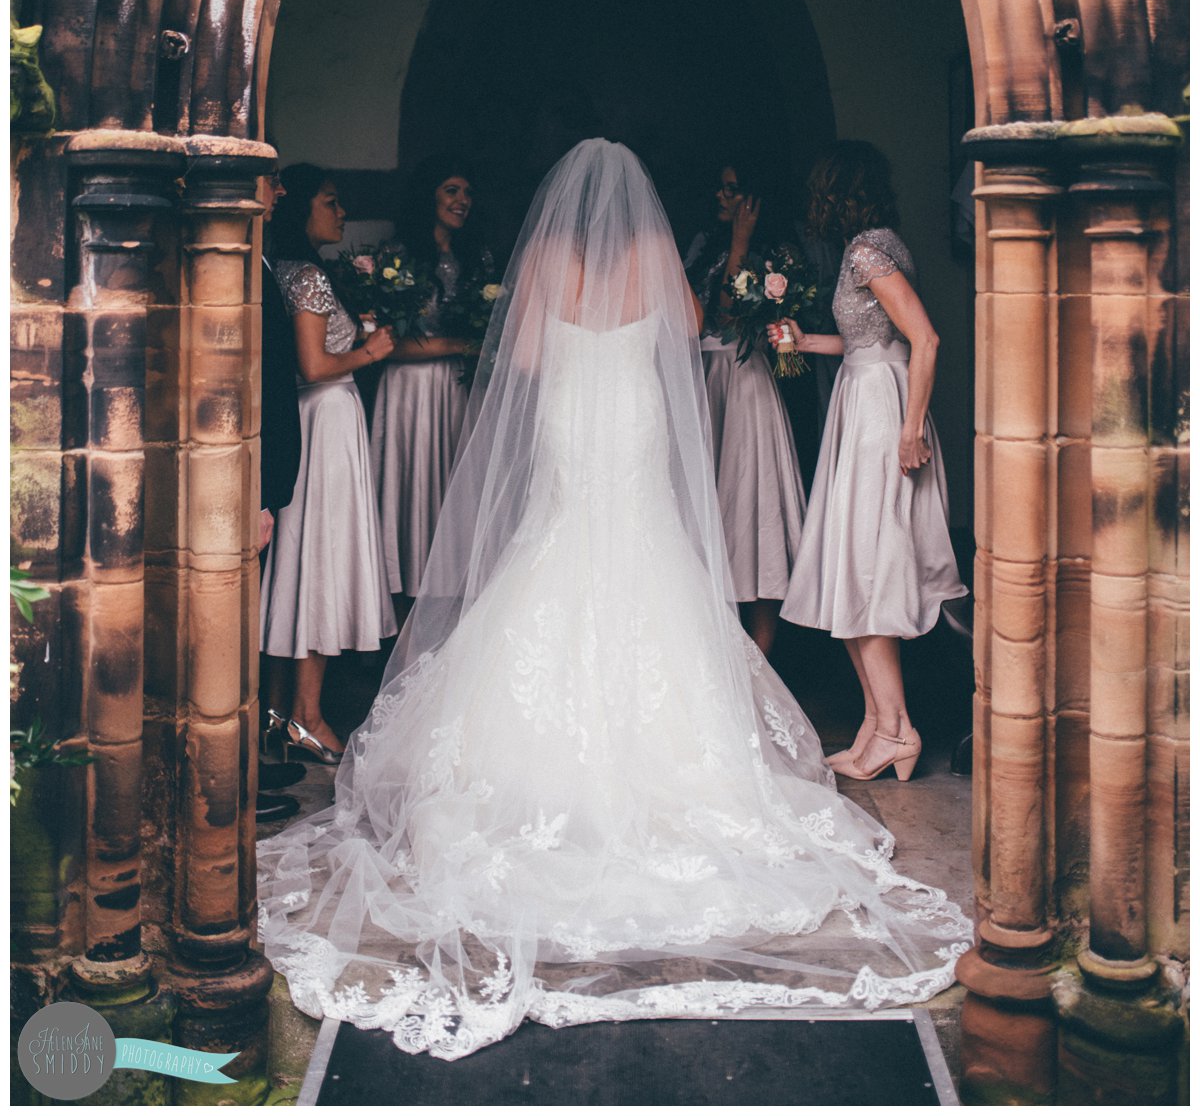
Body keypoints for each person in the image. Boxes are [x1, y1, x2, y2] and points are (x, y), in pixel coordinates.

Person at [259, 141, 970, 1061]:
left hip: (572, 411)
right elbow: (683, 335)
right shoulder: (659, 258)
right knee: (646, 543)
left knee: (554, 538)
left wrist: (569, 339)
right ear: (639, 209)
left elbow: (516, 356)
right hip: (631, 409)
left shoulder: (548, 259)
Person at [773, 142, 967, 783]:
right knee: (853, 567)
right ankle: (878, 725)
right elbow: (865, 341)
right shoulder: (876, 244)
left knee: (868, 566)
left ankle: (898, 729)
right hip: (862, 400)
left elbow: (925, 338)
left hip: (881, 416)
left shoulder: (866, 252)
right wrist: (802, 340)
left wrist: (911, 430)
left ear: (836, 191)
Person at [260, 165, 398, 765]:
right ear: (301, 210)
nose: (341, 213)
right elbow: (313, 366)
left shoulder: (283, 270)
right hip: (325, 424)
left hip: (313, 427)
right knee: (318, 561)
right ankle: (307, 716)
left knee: (295, 563)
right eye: (332, 202)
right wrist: (369, 350)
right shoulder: (307, 276)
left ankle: (274, 710)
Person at [684, 157, 806, 657]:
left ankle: (760, 656)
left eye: (731, 189)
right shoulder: (702, 245)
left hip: (745, 381)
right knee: (710, 506)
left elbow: (734, 317)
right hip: (705, 379)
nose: (721, 196)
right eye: (720, 187)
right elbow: (694, 315)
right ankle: (715, 647)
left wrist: (741, 243)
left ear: (754, 199)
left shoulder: (776, 253)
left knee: (751, 509)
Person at [370, 157, 493, 619]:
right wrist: (459, 343)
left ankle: (446, 599)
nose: (463, 201)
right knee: (410, 486)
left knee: (447, 486)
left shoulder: (476, 259)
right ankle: (400, 605)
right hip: (410, 389)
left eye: (467, 193)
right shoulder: (398, 255)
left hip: (453, 390)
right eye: (451, 191)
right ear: (430, 196)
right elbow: (384, 342)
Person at [256, 168, 305, 823]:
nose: (279, 190)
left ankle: (243, 771)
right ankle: (230, 785)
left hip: (265, 476)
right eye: (272, 178)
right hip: (248, 479)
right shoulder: (237, 265)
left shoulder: (259, 261)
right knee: (235, 633)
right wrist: (260, 493)